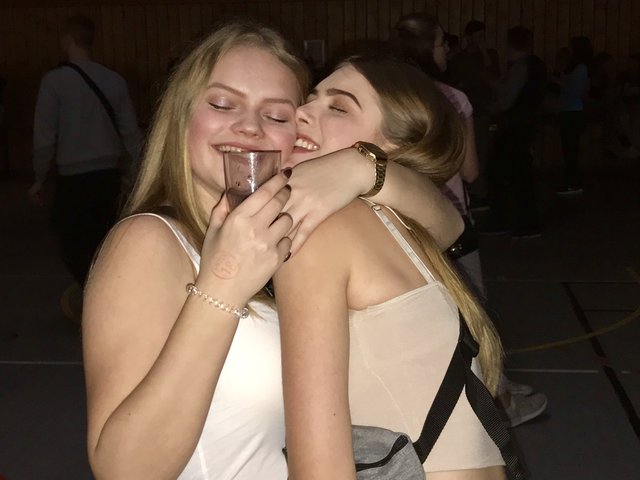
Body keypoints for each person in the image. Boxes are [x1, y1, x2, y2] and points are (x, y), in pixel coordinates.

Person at [82, 21, 463, 480]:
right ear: (181, 115)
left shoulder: (281, 231)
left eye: (278, 116)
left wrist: (362, 168)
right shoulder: (149, 241)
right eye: (222, 104)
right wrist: (224, 281)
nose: (249, 127)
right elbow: (122, 470)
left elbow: (449, 228)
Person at [276, 55, 507, 479]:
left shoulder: (324, 232)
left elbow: (319, 465)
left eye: (338, 107)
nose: (302, 112)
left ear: (394, 146)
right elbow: (452, 225)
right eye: (309, 98)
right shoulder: (398, 221)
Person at [392, 14, 548, 428]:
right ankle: (499, 402)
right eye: (441, 43)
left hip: (399, 219)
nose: (447, 49)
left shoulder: (389, 96)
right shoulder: (451, 98)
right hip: (448, 222)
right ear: (427, 49)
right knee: (473, 313)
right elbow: (471, 170)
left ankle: (497, 387)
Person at [28, 15, 142, 290]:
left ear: (67, 39)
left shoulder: (54, 82)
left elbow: (44, 137)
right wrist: (138, 170)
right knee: (106, 240)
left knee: (73, 242)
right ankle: (107, 291)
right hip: (108, 177)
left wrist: (39, 177)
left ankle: (89, 290)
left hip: (73, 179)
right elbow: (130, 132)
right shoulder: (113, 80)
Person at [481, 26, 546, 238]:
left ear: (510, 45)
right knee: (517, 175)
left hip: (513, 128)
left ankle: (511, 220)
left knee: (502, 174)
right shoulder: (535, 65)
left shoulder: (521, 67)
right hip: (523, 126)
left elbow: (506, 99)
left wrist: (491, 105)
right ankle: (522, 221)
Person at [448, 20, 501, 207]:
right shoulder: (460, 58)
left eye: (483, 36)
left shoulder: (489, 55)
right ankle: (469, 191)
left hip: (482, 110)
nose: (480, 40)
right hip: (461, 112)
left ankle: (481, 193)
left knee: (482, 152)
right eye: (477, 36)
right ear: (468, 37)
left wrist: (484, 53)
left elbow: (494, 77)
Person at [552, 36, 593, 194]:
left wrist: (557, 81)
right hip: (568, 111)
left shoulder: (580, 68)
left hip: (573, 112)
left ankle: (574, 182)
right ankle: (572, 181)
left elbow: (575, 91)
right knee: (569, 149)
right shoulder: (575, 67)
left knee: (570, 150)